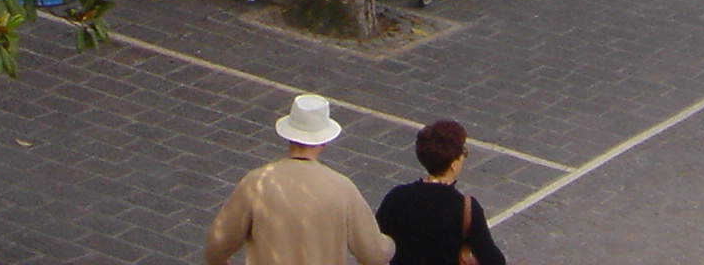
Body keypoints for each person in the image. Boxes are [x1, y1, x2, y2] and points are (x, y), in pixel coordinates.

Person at [204, 93, 394, 265]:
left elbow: (217, 246)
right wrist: (392, 241)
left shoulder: (257, 182)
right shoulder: (342, 188)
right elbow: (374, 255)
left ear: (289, 135)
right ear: (325, 141)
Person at [376, 120, 506, 265]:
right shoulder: (466, 208)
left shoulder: (397, 197)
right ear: (453, 164)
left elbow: (375, 243)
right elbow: (494, 260)